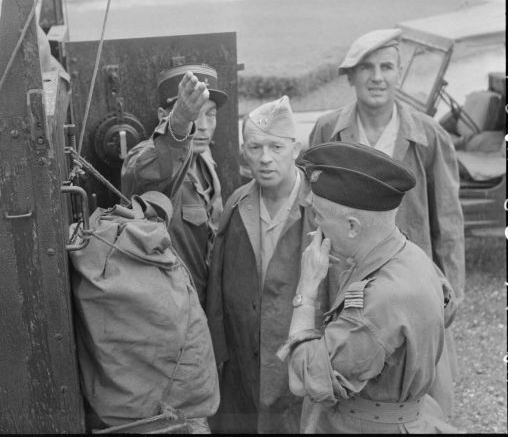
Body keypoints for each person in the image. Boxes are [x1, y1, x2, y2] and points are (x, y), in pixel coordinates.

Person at [308, 28, 464, 415]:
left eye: (386, 67)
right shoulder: (328, 131)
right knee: (341, 388)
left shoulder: (428, 135)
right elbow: (312, 214)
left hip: (410, 288)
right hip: (344, 286)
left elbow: (448, 221)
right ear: (350, 75)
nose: (376, 77)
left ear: (398, 74)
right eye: (366, 68)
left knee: (419, 397)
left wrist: (452, 291)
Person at [277, 141, 457, 434]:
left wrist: (306, 291)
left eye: (320, 218)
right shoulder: (409, 255)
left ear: (352, 227)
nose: (316, 228)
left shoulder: (378, 300)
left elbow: (302, 381)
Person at [206, 96, 323, 434]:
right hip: (245, 361)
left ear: (296, 148)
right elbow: (216, 291)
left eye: (276, 146)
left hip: (300, 362)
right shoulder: (236, 205)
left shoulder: (320, 209)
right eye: (255, 147)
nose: (265, 158)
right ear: (244, 151)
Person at [121, 64, 227, 309]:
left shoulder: (205, 157)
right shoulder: (150, 159)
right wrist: (179, 122)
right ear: (162, 116)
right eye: (193, 114)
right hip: (172, 310)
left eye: (209, 114)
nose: (202, 126)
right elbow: (146, 170)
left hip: (206, 301)